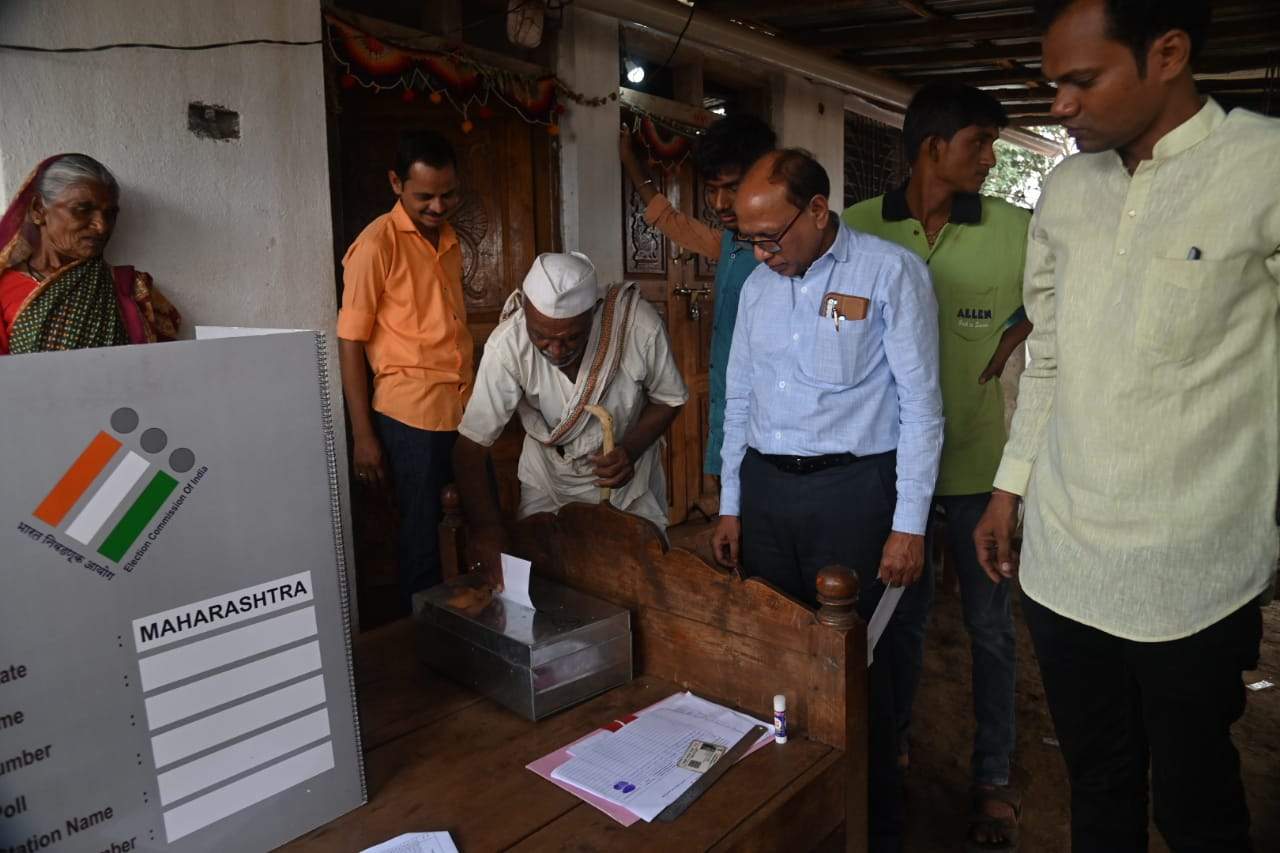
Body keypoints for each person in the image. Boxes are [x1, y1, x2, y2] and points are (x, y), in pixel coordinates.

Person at [974, 1, 1277, 850]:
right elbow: (1053, 357)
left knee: (1197, 803)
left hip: (1195, 573)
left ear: (1167, 53)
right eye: (1053, 83)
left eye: (1082, 80)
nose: (1060, 104)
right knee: (1098, 786)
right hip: (1066, 568)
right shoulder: (1067, 193)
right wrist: (1010, 486)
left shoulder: (1263, 169)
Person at [711, 149, 944, 853]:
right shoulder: (757, 284)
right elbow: (740, 397)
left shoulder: (889, 273)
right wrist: (731, 500)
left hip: (854, 493)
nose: (759, 252)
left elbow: (922, 407)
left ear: (818, 210)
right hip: (768, 492)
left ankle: (872, 826)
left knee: (860, 672)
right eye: (748, 239)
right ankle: (792, 814)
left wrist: (909, 523)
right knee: (772, 658)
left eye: (770, 236)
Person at [843, 83, 1031, 852]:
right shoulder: (856, 228)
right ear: (931, 148)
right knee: (900, 622)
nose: (990, 159)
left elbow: (1054, 304)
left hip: (983, 472)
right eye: (979, 143)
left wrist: (1013, 335)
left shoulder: (1016, 229)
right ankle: (894, 746)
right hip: (894, 474)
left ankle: (992, 776)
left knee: (990, 627)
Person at [454, 252, 687, 584]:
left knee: (642, 584)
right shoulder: (508, 344)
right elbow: (470, 447)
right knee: (549, 584)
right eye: (541, 337)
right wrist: (487, 529)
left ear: (593, 313)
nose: (556, 350)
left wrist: (631, 450)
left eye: (571, 338)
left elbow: (669, 399)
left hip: (626, 484)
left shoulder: (636, 326)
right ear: (526, 316)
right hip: (548, 479)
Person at [337, 131, 473, 610]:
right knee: (420, 542)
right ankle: (423, 656)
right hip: (409, 418)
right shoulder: (376, 245)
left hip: (463, 408)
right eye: (425, 197)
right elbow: (350, 341)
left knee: (467, 529)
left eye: (448, 194)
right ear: (396, 183)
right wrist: (363, 436)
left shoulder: (452, 239)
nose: (439, 206)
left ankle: (464, 634)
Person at [619, 114, 775, 481]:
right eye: (711, 189)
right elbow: (672, 221)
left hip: (771, 420)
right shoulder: (729, 243)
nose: (720, 203)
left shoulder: (785, 255)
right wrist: (630, 163)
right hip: (729, 406)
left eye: (732, 188)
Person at [0, 154, 180, 355]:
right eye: (82, 210)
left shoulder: (131, 288)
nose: (101, 227)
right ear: (38, 210)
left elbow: (161, 366)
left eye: (110, 214)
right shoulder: (4, 289)